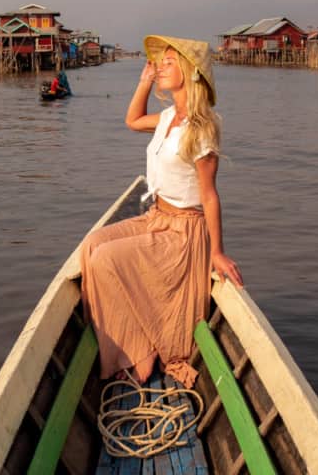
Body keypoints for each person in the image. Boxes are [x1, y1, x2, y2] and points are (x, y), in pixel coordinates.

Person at [79, 35, 242, 388]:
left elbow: (210, 196)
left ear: (190, 71)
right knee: (91, 246)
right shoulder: (169, 116)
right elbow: (133, 120)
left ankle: (139, 352)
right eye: (160, 62)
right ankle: (134, 338)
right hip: (157, 216)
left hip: (183, 232)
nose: (160, 67)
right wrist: (143, 82)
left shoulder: (202, 127)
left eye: (169, 62)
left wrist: (216, 252)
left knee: (106, 259)